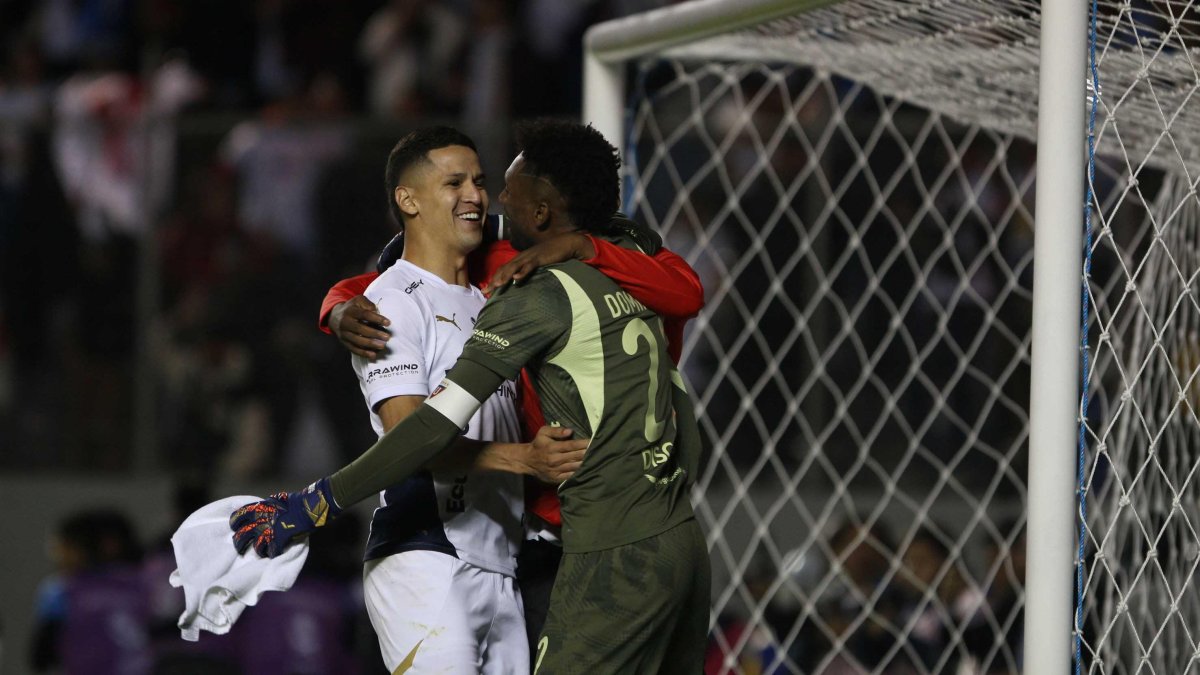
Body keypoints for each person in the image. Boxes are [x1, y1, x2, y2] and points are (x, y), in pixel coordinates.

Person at [232, 119, 710, 674]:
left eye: (500, 186)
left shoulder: (531, 285)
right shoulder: (634, 265)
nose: (491, 199)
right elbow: (400, 282)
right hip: (654, 532)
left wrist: (317, 502)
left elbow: (427, 429)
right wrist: (338, 307)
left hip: (589, 537)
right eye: (470, 184)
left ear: (541, 212)